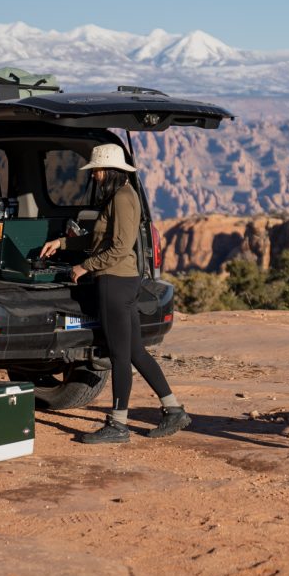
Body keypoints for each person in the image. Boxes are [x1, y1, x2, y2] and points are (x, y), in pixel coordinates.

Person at [40, 143, 190, 444]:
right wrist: (63, 244)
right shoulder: (117, 196)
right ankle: (173, 410)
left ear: (109, 170)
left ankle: (118, 424)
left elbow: (119, 248)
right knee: (134, 351)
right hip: (123, 281)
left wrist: (86, 266)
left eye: (96, 171)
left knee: (120, 356)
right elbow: (99, 239)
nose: (94, 176)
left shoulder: (122, 198)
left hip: (115, 283)